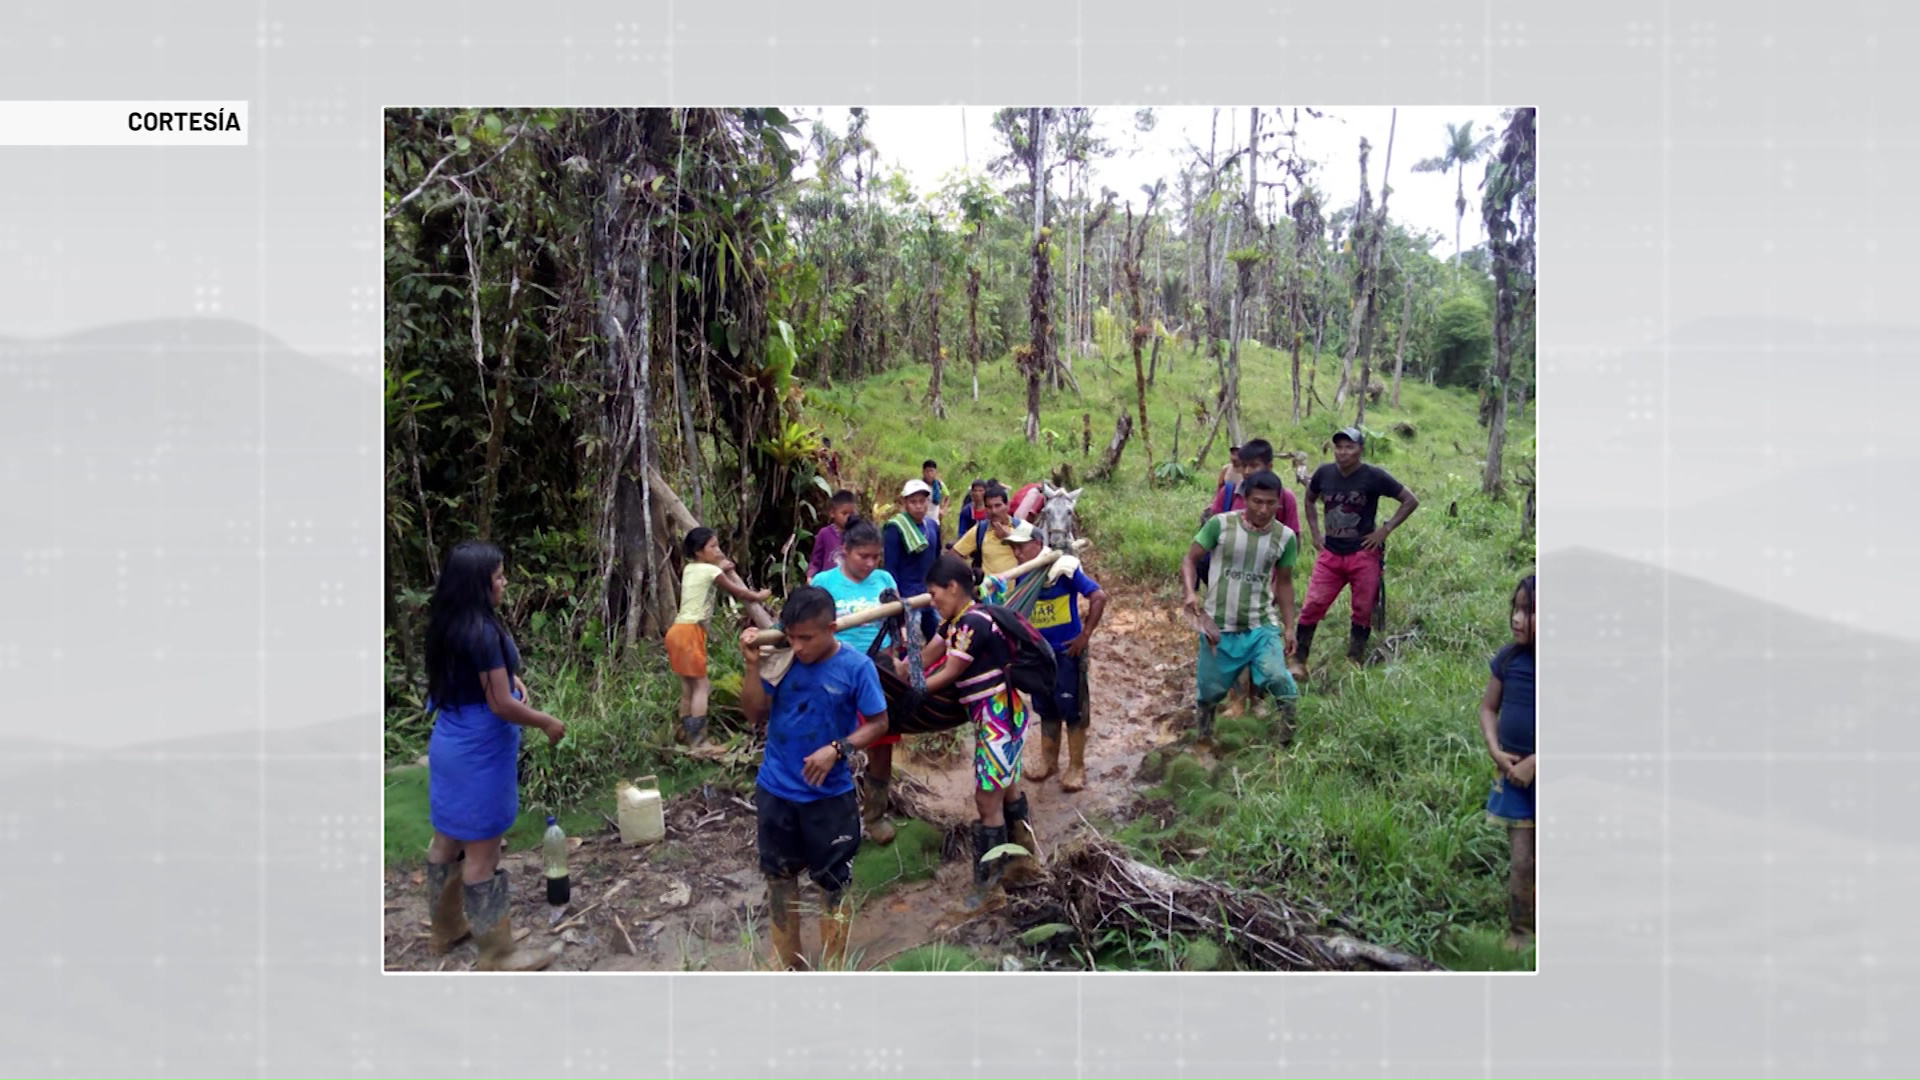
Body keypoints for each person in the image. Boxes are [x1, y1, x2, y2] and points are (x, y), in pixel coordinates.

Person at [420, 541, 568, 972]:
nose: (504, 582)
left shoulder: (447, 624)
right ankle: (498, 954)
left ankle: (446, 930)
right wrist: (545, 721)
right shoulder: (483, 632)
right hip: (479, 753)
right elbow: (500, 705)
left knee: (446, 840)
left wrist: (511, 679)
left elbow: (480, 683)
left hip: (449, 743)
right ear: (478, 585)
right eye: (499, 576)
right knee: (483, 857)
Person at [736, 587, 891, 970]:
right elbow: (754, 714)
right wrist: (752, 666)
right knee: (779, 875)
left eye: (807, 637)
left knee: (833, 882)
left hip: (829, 796)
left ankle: (835, 961)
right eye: (792, 636)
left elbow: (879, 724)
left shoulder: (856, 668)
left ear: (832, 628)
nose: (798, 646)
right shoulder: (782, 660)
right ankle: (786, 957)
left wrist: (837, 749)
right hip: (777, 790)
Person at [895, 555, 1036, 911]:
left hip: (998, 717)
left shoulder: (973, 622)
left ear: (953, 587)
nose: (933, 601)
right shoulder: (954, 624)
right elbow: (923, 661)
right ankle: (1022, 861)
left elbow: (951, 672)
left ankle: (988, 889)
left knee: (986, 800)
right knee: (1007, 789)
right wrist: (898, 653)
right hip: (1000, 716)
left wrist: (918, 692)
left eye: (934, 594)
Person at [1180, 471, 1302, 745]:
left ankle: (1286, 740)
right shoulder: (1220, 526)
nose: (1263, 509)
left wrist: (1289, 626)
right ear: (1244, 499)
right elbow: (1189, 559)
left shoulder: (1284, 537)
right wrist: (1190, 593)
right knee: (1210, 692)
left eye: (1271, 503)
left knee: (1277, 677)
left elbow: (1284, 583)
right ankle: (1204, 740)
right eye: (1257, 501)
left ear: (1279, 503)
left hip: (1261, 625)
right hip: (1218, 627)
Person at [985, 523, 1106, 793]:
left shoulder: (1063, 569)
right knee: (1045, 706)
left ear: (1037, 544)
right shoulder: (1024, 576)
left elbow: (1098, 596)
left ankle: (1076, 766)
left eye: (1021, 546)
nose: (1016, 553)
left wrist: (1084, 635)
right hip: (1038, 655)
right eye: (1012, 548)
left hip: (1066, 652)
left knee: (1072, 707)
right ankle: (1049, 761)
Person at [1292, 427, 1420, 675]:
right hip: (1330, 554)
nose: (1343, 452)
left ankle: (1354, 659)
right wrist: (1316, 533)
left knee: (1362, 609)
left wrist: (1386, 529)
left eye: (1349, 447)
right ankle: (1298, 660)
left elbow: (1410, 500)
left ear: (1360, 450)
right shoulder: (1324, 473)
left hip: (1363, 554)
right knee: (1312, 604)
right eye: (1339, 447)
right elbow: (1309, 499)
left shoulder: (1373, 476)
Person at [810, 517, 901, 845]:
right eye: (863, 556)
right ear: (845, 551)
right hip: (834, 675)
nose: (870, 563)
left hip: (880, 676)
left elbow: (896, 624)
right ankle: (830, 819)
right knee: (829, 745)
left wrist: (899, 657)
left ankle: (874, 815)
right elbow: (803, 621)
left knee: (881, 744)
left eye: (876, 556)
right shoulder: (825, 582)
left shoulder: (884, 579)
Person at [667, 527, 772, 748]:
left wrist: (718, 566)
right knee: (702, 687)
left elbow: (710, 573)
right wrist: (759, 596)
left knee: (688, 687)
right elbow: (739, 592)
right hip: (690, 633)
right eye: (712, 547)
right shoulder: (710, 571)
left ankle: (684, 735)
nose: (718, 551)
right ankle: (700, 742)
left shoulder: (689, 569)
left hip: (676, 631)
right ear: (698, 551)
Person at [1480, 574, 1536, 951]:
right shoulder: (1508, 659)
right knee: (1521, 861)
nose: (1517, 618)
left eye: (1528, 611)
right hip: (1512, 777)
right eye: (1515, 609)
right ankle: (1520, 930)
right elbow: (1487, 708)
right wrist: (1495, 749)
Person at [949, 483, 1021, 580]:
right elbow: (954, 554)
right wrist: (970, 577)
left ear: (1007, 506)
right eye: (989, 507)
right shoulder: (980, 530)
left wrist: (1008, 537)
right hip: (988, 593)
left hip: (1019, 593)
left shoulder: (1021, 528)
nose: (994, 511)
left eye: (998, 506)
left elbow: (1033, 558)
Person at [807, 490, 859, 578]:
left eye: (851, 513)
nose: (848, 517)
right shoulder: (824, 534)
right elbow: (815, 560)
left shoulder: (857, 533)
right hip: (828, 584)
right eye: (844, 513)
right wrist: (810, 576)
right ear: (832, 513)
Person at [921, 460, 947, 534]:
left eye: (932, 471)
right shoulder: (919, 485)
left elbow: (947, 496)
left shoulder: (939, 485)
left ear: (935, 472)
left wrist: (943, 509)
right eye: (927, 471)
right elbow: (903, 497)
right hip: (921, 520)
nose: (929, 474)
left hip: (935, 520)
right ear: (923, 472)